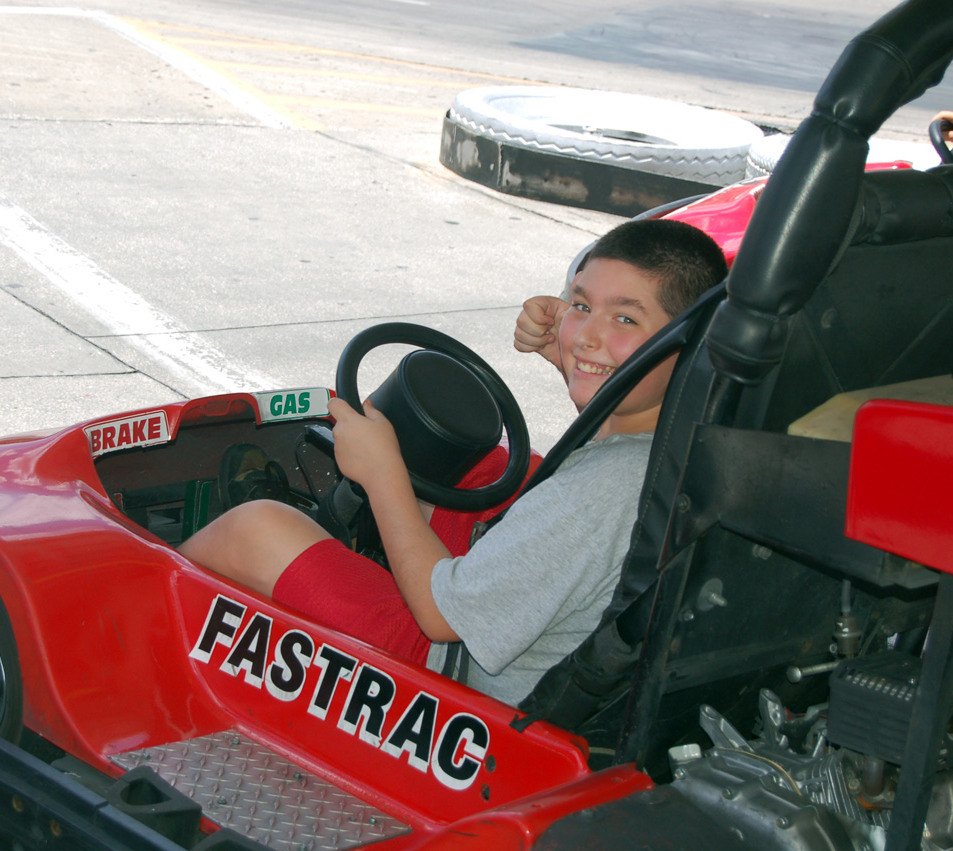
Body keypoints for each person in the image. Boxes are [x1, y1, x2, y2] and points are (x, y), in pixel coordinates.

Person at [180, 219, 728, 706]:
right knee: (488, 468)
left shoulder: (603, 491)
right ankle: (351, 542)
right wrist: (569, 347)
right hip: (537, 636)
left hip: (455, 686)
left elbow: (440, 622)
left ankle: (155, 622)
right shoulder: (689, 426)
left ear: (686, 343)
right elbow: (620, 374)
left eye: (625, 320)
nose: (586, 334)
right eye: (582, 305)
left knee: (256, 527)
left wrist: (383, 473)